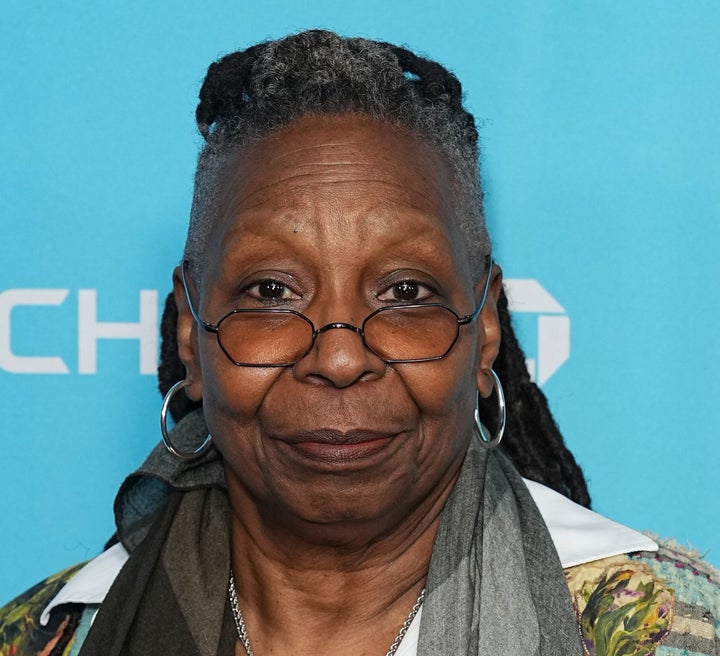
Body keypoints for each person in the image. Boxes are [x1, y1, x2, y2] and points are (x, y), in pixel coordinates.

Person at [1, 29, 718, 656]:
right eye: (271, 292)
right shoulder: (47, 637)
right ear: (192, 334)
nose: (340, 359)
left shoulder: (670, 630)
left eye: (405, 293)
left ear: (486, 327)